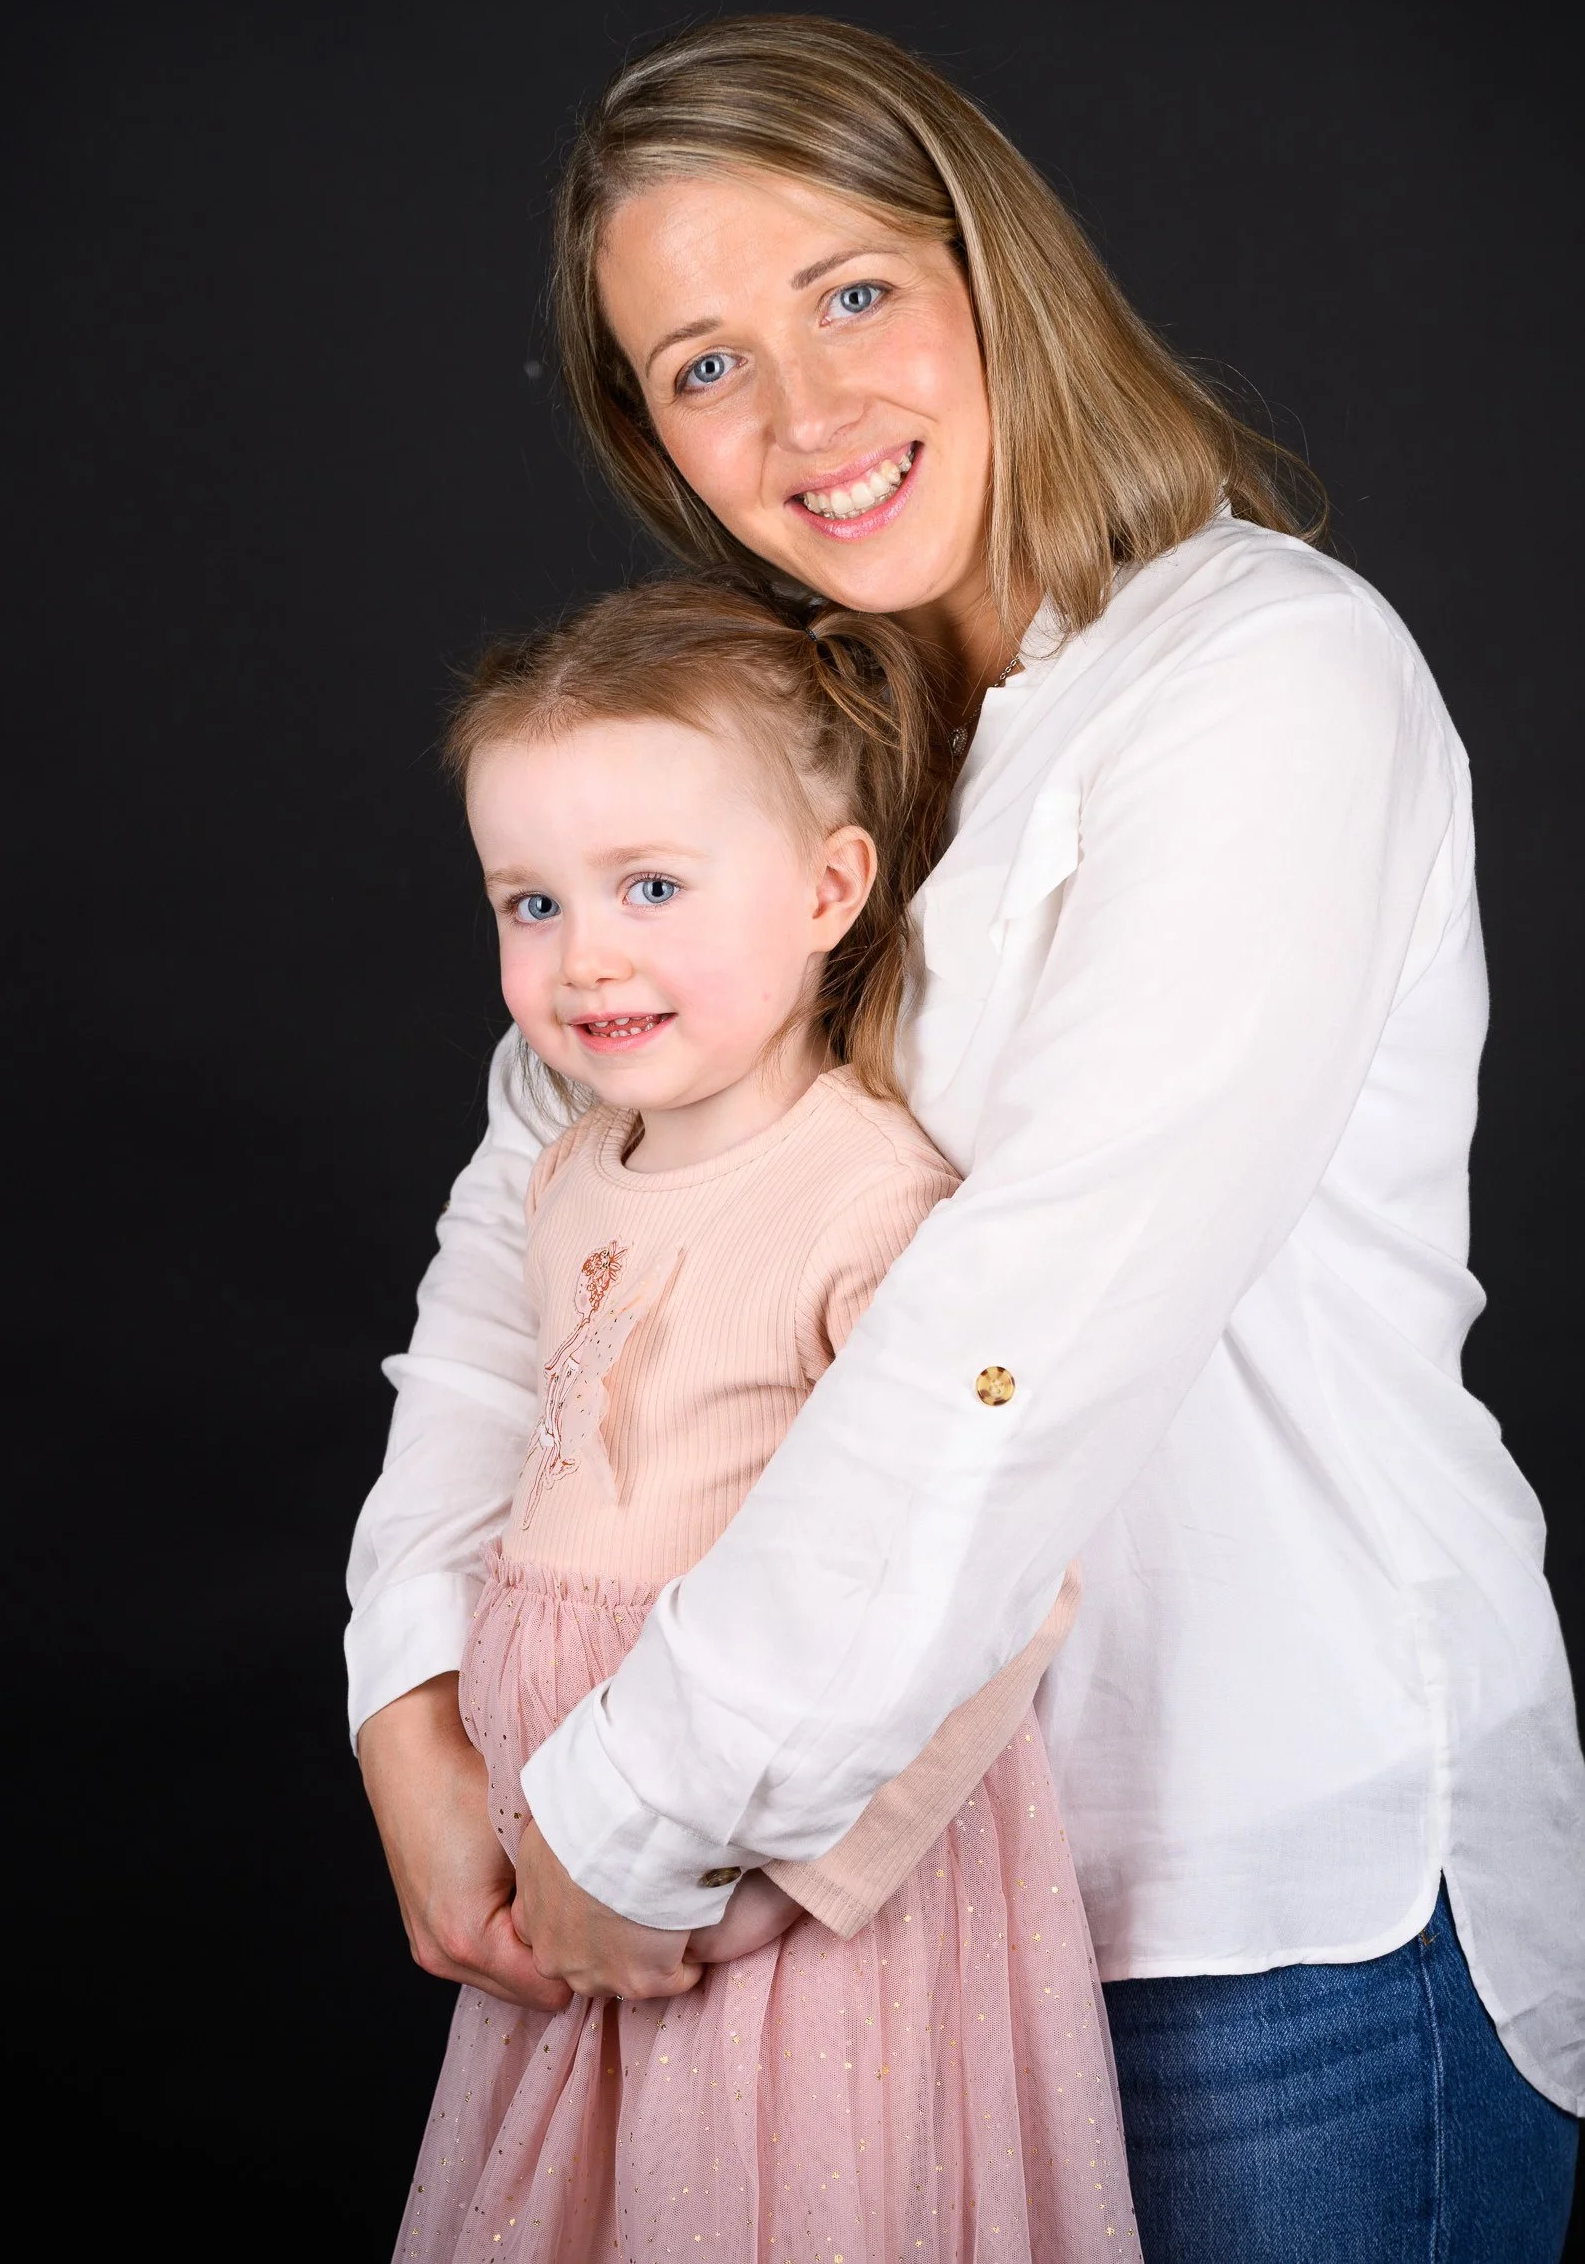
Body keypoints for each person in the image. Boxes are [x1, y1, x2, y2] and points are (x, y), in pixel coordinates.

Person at [352, 16, 1584, 2258]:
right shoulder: (752, 741)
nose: (805, 414)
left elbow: (1017, 1335)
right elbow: (517, 1228)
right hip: (847, 1934)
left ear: (992, 269)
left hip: (1248, 1925)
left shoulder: (1261, 680)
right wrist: (408, 1707)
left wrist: (614, 1815)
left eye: (848, 292)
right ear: (650, 435)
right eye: (703, 363)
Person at [388, 576, 1135, 2259]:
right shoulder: (569, 1165)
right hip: (572, 1882)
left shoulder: (865, 1194)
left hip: (773, 1920)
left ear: (825, 885)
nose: (586, 957)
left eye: (651, 887)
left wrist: (778, 1893)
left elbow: (996, 1580)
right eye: (530, 903)